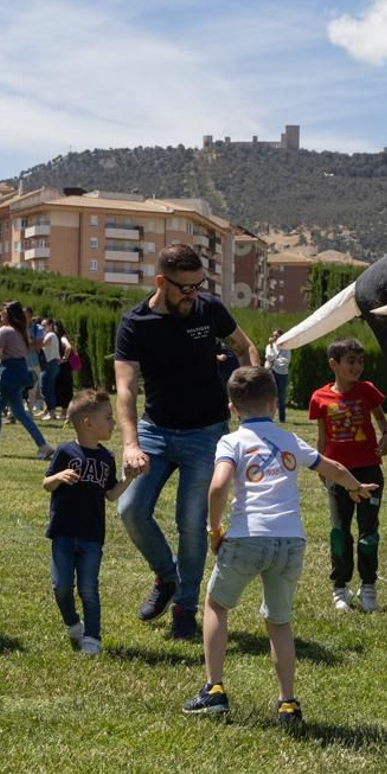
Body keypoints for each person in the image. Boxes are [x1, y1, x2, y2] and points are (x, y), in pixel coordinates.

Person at [182, 366, 377, 726]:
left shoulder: (231, 442)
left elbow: (218, 486)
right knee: (279, 622)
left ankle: (214, 690)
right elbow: (331, 466)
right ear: (275, 403)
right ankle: (288, 703)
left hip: (246, 537)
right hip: (290, 541)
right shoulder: (289, 439)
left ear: (232, 408)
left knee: (217, 605)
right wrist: (355, 487)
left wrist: (214, 529)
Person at [115, 244, 257, 641]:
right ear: (161, 282)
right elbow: (125, 390)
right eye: (186, 288)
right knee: (130, 508)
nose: (194, 295)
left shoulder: (208, 310)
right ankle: (166, 576)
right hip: (155, 432)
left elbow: (245, 347)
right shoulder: (135, 323)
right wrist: (130, 444)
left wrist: (251, 392)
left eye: (199, 286)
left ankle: (185, 608)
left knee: (192, 525)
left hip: (206, 432)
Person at [43, 390, 135, 658]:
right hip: (62, 532)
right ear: (87, 423)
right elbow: (46, 484)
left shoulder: (106, 458)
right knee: (61, 587)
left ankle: (92, 637)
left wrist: (127, 479)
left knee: (88, 587)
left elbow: (110, 494)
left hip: (92, 535)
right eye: (108, 417)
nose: (113, 423)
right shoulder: (65, 451)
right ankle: (73, 623)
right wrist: (59, 475)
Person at [309, 337, 387, 613]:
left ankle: (368, 587)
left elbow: (380, 419)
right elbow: (321, 439)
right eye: (351, 361)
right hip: (338, 474)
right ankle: (340, 588)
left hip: (369, 470)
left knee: (368, 533)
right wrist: (323, 470)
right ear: (334, 364)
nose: (357, 367)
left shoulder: (367, 391)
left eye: (361, 361)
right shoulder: (320, 398)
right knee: (340, 533)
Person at [0, 301, 55, 459]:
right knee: (8, 411)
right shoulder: (20, 331)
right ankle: (41, 446)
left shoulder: (5, 332)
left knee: (9, 412)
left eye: (4, 312)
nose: (1, 314)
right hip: (19, 372)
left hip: (9, 375)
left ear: (10, 315)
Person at [263, 329, 291, 422]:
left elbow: (285, 361)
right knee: (270, 395)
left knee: (281, 396)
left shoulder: (286, 348)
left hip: (282, 373)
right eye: (273, 335)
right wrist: (271, 346)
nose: (274, 337)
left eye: (277, 335)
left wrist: (274, 360)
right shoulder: (269, 346)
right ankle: (269, 417)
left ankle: (282, 418)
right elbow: (268, 356)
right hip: (271, 371)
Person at [39, 316, 63, 422]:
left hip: (50, 364)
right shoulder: (51, 335)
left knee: (45, 387)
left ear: (50, 325)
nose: (43, 327)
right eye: (42, 325)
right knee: (49, 388)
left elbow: (42, 343)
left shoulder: (50, 335)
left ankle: (51, 411)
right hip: (51, 364)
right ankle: (50, 411)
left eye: (44, 325)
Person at [51, 319, 75, 420]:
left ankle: (64, 413)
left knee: (64, 388)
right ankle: (64, 412)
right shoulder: (61, 337)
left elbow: (69, 347)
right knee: (63, 388)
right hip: (65, 366)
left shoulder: (62, 338)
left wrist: (64, 359)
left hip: (63, 366)